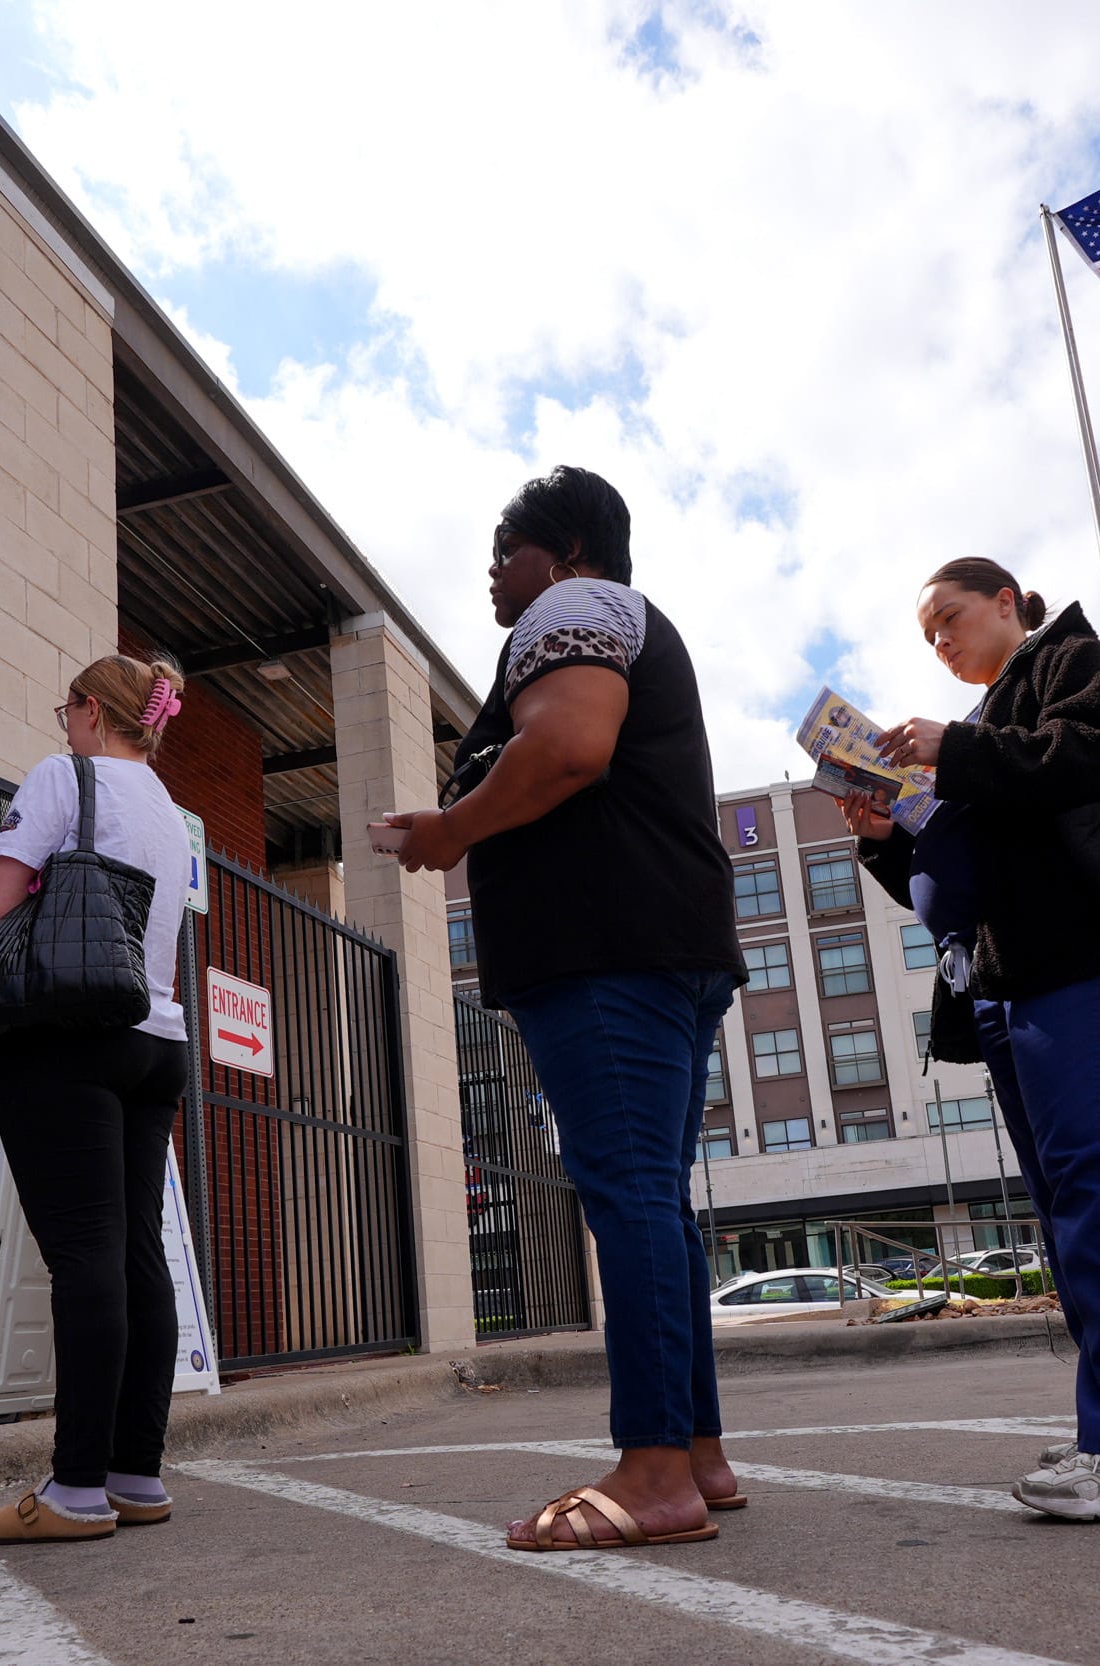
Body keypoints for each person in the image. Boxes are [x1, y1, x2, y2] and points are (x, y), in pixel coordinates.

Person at [386, 465, 745, 1552]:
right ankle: (697, 1455)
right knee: (655, 1200)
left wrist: (450, 830)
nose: (493, 571)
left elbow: (570, 746)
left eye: (510, 548)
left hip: (605, 949)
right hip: (658, 944)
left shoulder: (573, 608)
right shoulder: (608, 618)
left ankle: (655, 1474)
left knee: (629, 1195)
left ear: (570, 553)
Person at [852, 559, 1100, 1522]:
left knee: (1099, 1195)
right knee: (1072, 1209)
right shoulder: (985, 727)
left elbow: (1096, 757)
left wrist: (957, 749)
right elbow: (962, 868)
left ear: (1008, 601)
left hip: (1071, 966)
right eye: (927, 635)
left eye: (949, 618)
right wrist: (888, 835)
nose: (940, 642)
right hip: (1003, 977)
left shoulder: (1070, 661)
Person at [0, 656, 196, 1544]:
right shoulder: (170, 812)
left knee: (84, 1257)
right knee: (137, 1253)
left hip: (67, 1036)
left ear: (93, 711)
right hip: (157, 1042)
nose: (62, 724)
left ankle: (73, 1491)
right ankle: (135, 1474)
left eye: (67, 708)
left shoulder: (64, 777)